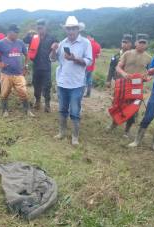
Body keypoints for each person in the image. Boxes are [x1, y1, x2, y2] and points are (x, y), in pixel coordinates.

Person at [50, 16, 92, 145]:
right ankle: (62, 132)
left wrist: (75, 59)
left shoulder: (85, 43)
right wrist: (53, 49)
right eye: (68, 29)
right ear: (66, 30)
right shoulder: (62, 43)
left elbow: (89, 61)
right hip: (63, 82)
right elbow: (52, 59)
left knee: (74, 111)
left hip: (77, 84)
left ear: (78, 29)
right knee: (62, 109)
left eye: (73, 28)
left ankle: (75, 136)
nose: (71, 31)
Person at [108, 34, 152, 137]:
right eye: (140, 42)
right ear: (136, 43)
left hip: (137, 87)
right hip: (124, 85)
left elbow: (150, 73)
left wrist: (147, 78)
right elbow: (118, 67)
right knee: (118, 105)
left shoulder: (149, 58)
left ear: (147, 45)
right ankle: (113, 124)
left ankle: (127, 131)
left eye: (144, 43)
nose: (141, 45)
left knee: (133, 108)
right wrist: (124, 74)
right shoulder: (127, 54)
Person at [0, 24, 35, 118]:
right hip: (6, 73)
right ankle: (5, 110)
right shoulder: (1, 43)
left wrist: (25, 66)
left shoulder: (20, 42)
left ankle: (27, 110)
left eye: (18, 32)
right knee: (5, 92)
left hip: (18, 73)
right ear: (9, 32)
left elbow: (27, 55)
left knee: (23, 91)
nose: (17, 34)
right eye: (16, 32)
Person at [23, 19, 57, 112]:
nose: (39, 30)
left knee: (47, 86)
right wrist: (28, 33)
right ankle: (37, 101)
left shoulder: (52, 38)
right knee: (36, 85)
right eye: (38, 28)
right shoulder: (33, 37)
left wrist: (55, 46)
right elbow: (24, 40)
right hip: (36, 66)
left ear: (45, 27)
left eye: (41, 28)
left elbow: (56, 45)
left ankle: (47, 104)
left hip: (46, 67)